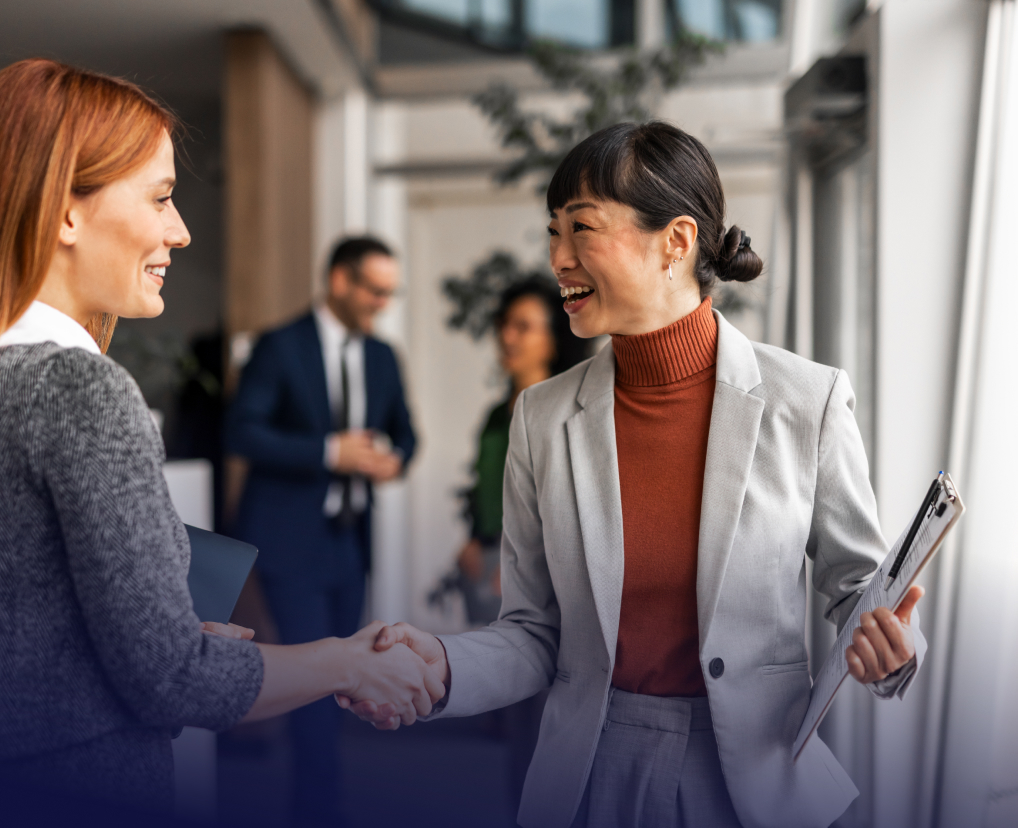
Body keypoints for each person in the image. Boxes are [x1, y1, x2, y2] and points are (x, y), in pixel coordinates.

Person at [0, 59, 441, 814]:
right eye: (161, 197)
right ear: (64, 213)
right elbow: (173, 679)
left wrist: (162, 636)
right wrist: (344, 662)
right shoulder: (77, 389)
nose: (181, 229)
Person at [347, 121, 927, 828]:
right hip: (591, 774)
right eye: (553, 232)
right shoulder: (541, 418)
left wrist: (893, 649)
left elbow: (860, 589)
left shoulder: (808, 401)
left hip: (754, 779)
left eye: (581, 229)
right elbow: (533, 632)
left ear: (676, 242)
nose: (558, 257)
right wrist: (439, 663)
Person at [225, 236, 417, 827]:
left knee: (344, 678)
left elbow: (406, 434)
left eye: (390, 292)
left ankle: (317, 799)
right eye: (374, 290)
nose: (382, 303)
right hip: (291, 542)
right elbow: (242, 432)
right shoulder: (280, 346)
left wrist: (393, 460)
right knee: (318, 676)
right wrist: (330, 452)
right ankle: (318, 808)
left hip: (350, 541)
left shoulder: (383, 356)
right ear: (339, 281)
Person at [457, 277, 593, 625]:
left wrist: (525, 566)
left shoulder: (569, 415)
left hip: (542, 571)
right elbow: (485, 486)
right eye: (505, 324)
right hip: (488, 565)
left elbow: (571, 505)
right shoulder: (495, 416)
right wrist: (475, 539)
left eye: (523, 327)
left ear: (553, 340)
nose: (507, 337)